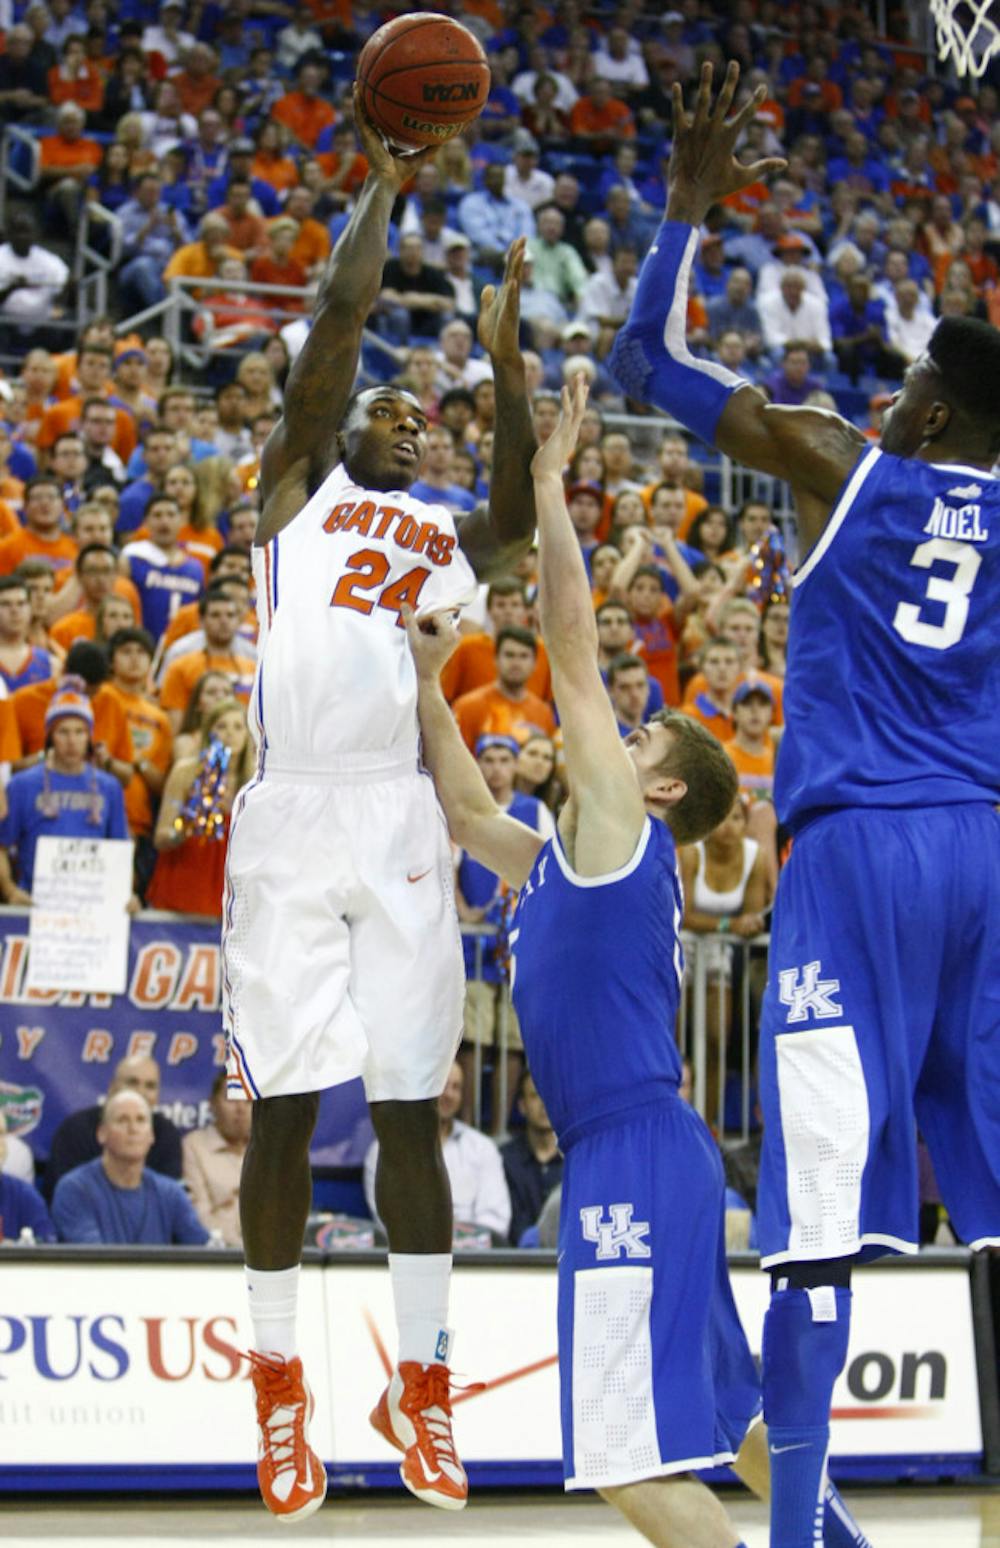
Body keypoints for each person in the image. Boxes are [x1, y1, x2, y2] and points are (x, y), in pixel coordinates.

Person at [605, 57, 1000, 1548]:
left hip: (858, 862)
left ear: (938, 410)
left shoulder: (843, 464)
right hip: (985, 849)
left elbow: (649, 360)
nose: (880, 396)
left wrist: (690, 212)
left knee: (814, 1229)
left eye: (905, 386)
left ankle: (796, 1540)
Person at [405, 375, 871, 1548]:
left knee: (621, 1457)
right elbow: (465, 815)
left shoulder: (622, 827)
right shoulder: (565, 852)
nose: (624, 725)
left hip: (630, 1149)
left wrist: (554, 490)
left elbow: (568, 646)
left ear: (657, 786)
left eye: (642, 732)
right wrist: (420, 683)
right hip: (653, 1152)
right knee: (733, 1419)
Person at [222, 91, 538, 1521]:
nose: (417, 424)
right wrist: (385, 187)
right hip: (293, 810)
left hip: (400, 814)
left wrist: (516, 365)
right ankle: (281, 1396)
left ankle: (425, 1393)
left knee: (411, 1110)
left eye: (432, 416)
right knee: (287, 1108)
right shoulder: (295, 491)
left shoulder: (433, 535)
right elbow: (337, 330)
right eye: (394, 412)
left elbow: (520, 522)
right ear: (344, 429)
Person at [0, 680, 128, 903]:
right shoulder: (22, 785)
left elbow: (121, 850)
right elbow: (1, 846)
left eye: (80, 732)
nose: (72, 741)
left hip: (93, 902)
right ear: (50, 737)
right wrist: (10, 891)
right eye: (63, 732)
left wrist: (125, 894)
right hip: (35, 900)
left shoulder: (109, 788)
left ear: (89, 737)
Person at [363, 1061, 512, 1244]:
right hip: (411, 1258)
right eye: (441, 1084)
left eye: (456, 1087)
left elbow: (495, 1219)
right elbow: (389, 1222)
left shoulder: (482, 1148)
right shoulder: (383, 1148)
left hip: (474, 1261)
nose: (449, 1094)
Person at [51, 1089, 209, 1245]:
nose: (133, 1129)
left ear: (151, 1135)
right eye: (122, 1120)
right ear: (102, 1134)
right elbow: (92, 1262)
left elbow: (205, 1252)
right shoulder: (75, 1189)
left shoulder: (171, 1193)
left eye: (141, 1120)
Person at [45, 1053, 184, 1197]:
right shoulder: (75, 1130)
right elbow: (64, 1196)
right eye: (132, 1082)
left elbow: (168, 1200)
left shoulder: (167, 1134)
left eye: (150, 1086)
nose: (141, 1092)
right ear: (112, 1087)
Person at [452, 627, 556, 751]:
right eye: (509, 655)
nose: (516, 663)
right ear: (495, 659)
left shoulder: (544, 713)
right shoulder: (467, 707)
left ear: (535, 663)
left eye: (523, 656)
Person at [182, 1070, 251, 1246]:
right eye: (231, 1099)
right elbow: (199, 1216)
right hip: (220, 1254)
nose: (240, 1109)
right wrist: (240, 1248)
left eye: (248, 1101)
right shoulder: (194, 1146)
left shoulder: (268, 1149)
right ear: (212, 1104)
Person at [499, 1068, 563, 1246]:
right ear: (522, 1106)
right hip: (514, 1262)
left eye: (550, 1096)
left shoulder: (575, 1159)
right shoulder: (504, 1159)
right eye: (535, 1096)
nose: (544, 1104)